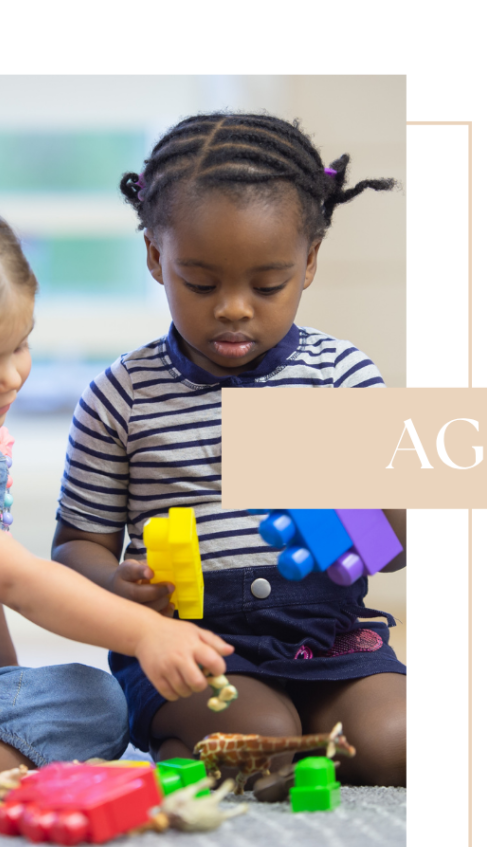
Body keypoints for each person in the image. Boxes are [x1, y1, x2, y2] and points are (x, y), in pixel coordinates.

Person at [52, 113, 407, 787]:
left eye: (267, 285)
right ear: (156, 258)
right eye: (202, 283)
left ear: (308, 262)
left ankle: (312, 733)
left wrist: (347, 512)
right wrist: (114, 584)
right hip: (189, 647)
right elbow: (76, 547)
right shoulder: (119, 397)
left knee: (398, 744)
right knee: (261, 741)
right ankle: (200, 737)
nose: (235, 309)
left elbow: (394, 544)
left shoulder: (343, 377)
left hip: (331, 639)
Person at [0, 169, 232, 780]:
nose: (12, 377)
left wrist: (6, 690)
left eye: (20, 345)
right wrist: (144, 633)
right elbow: (21, 581)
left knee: (101, 700)